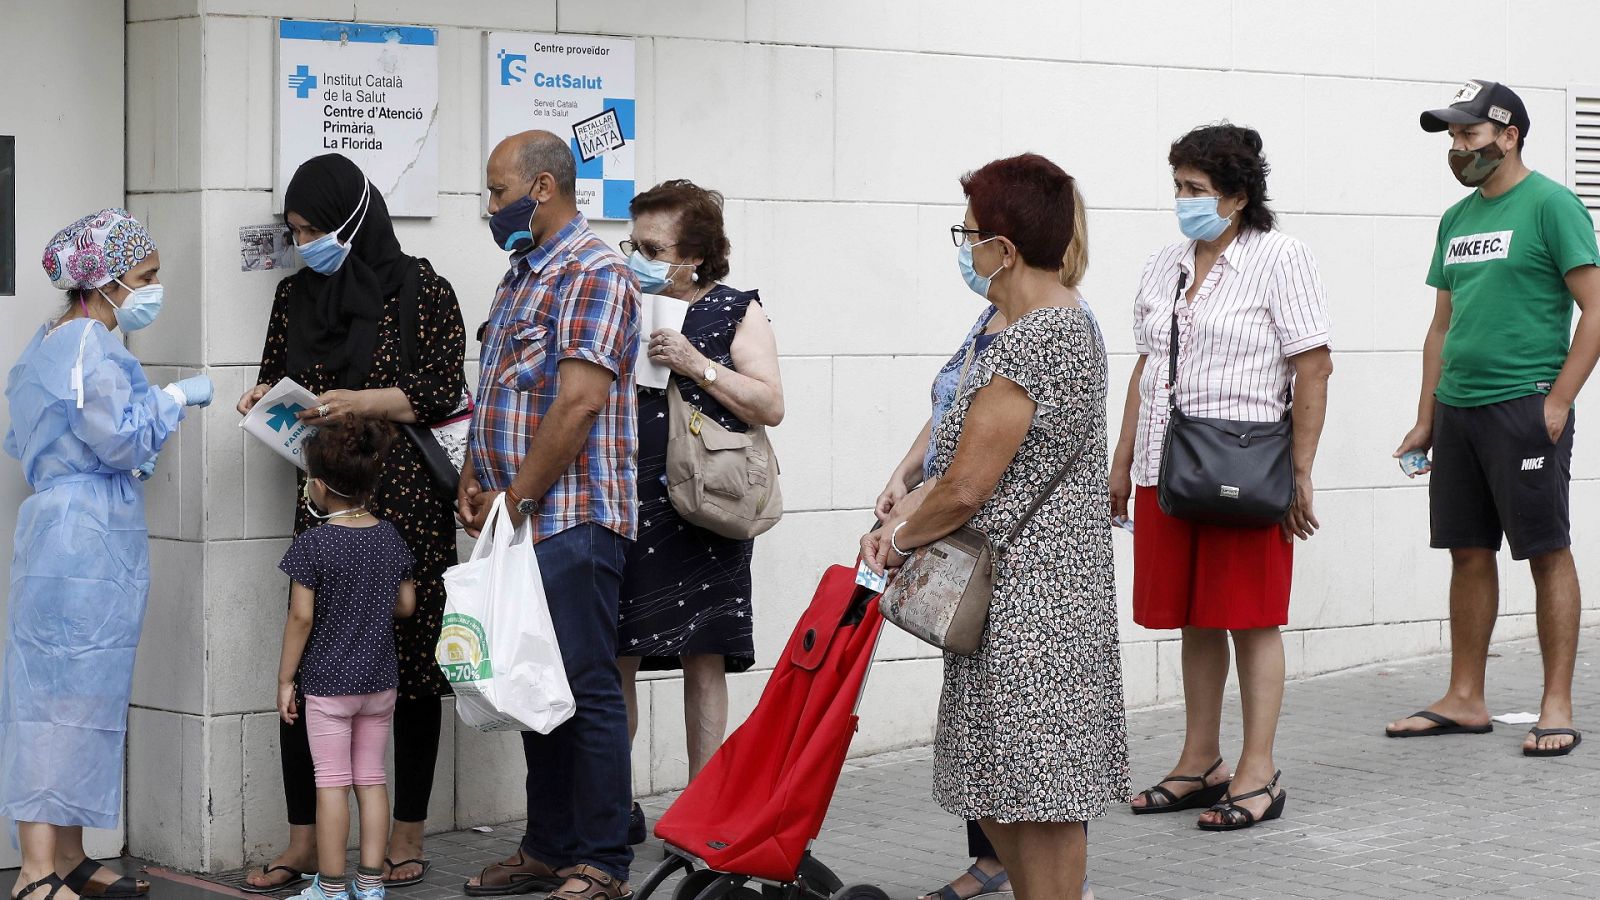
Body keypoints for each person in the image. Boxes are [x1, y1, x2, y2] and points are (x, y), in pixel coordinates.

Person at [861, 154, 1128, 900]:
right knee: (1005, 784)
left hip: (1032, 599)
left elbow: (970, 486)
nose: (963, 247)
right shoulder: (1031, 323)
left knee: (1041, 794)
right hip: (1016, 593)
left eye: (968, 233)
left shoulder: (1038, 337)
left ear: (1003, 250)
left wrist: (899, 537)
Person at [238, 154, 468, 892]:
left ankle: (406, 830)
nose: (304, 243)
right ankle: (304, 839)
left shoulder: (422, 288)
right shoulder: (295, 296)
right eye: (295, 231)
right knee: (310, 669)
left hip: (405, 507)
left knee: (412, 672)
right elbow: (279, 372)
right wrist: (262, 398)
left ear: (353, 219)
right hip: (321, 505)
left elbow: (441, 388)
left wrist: (360, 401)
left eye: (313, 229)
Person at [1114, 124, 1332, 830]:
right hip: (1165, 465)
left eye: (1196, 189)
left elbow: (1312, 365)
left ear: (1237, 197)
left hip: (1247, 466)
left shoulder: (1280, 258)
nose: (1182, 201)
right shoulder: (1163, 265)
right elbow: (1147, 369)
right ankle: (1199, 762)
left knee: (1250, 616)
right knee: (1193, 617)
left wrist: (1301, 471)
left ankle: (1258, 772)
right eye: (1177, 186)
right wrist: (1121, 463)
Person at [2, 208, 210, 900]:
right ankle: (35, 875)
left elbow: (31, 435)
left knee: (79, 692)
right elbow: (120, 439)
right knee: (55, 700)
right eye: (146, 277)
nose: (154, 290)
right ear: (105, 280)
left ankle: (68, 856)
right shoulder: (90, 342)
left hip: (68, 528)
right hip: (83, 534)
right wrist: (175, 398)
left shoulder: (47, 342)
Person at [1387, 81, 1600, 756]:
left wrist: (1559, 398)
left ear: (1508, 136)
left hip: (1524, 403)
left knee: (1544, 550)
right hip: (1459, 409)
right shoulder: (1455, 220)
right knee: (1468, 552)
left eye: (1469, 136)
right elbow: (1440, 327)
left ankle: (1556, 703)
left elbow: (1596, 308)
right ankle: (1465, 698)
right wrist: (1426, 416)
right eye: (1452, 138)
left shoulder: (1551, 206)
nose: (1458, 149)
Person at [461, 130, 639, 900]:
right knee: (537, 686)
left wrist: (519, 494)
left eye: (497, 192)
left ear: (541, 187)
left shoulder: (593, 272)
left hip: (573, 517)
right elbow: (498, 386)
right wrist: (473, 474)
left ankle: (601, 862)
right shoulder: (519, 276)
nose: (489, 207)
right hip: (520, 518)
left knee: (586, 687)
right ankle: (547, 848)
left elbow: (579, 401)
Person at [616, 179, 784, 840]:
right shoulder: (621, 305)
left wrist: (694, 363)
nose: (637, 257)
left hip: (703, 508)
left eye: (653, 248)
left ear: (695, 257)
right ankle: (615, 804)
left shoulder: (735, 311)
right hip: (625, 501)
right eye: (633, 243)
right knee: (615, 654)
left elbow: (771, 403)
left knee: (704, 655)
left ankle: (702, 809)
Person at [276, 417, 419, 900]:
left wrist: (284, 679)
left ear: (318, 486)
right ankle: (371, 883)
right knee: (372, 780)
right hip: (380, 684)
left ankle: (332, 889)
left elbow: (300, 618)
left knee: (332, 784)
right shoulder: (389, 536)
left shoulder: (313, 543)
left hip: (328, 687)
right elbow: (406, 605)